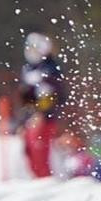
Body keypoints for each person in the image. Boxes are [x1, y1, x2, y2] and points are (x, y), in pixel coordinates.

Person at [19, 31, 67, 178]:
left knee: (41, 149)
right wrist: (27, 116)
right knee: (29, 150)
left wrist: (42, 113)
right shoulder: (28, 69)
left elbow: (54, 95)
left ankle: (45, 178)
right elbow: (26, 96)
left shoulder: (50, 68)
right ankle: (38, 177)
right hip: (32, 116)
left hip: (45, 117)